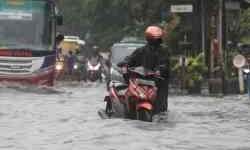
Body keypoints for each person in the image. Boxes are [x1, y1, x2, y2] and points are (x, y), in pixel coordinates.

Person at [119, 26, 170, 114]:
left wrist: (159, 70)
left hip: (159, 82)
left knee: (161, 109)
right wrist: (125, 64)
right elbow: (130, 59)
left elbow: (164, 63)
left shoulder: (164, 51)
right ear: (149, 39)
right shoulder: (141, 51)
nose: (156, 42)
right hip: (143, 80)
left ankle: (160, 114)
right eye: (155, 39)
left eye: (158, 39)